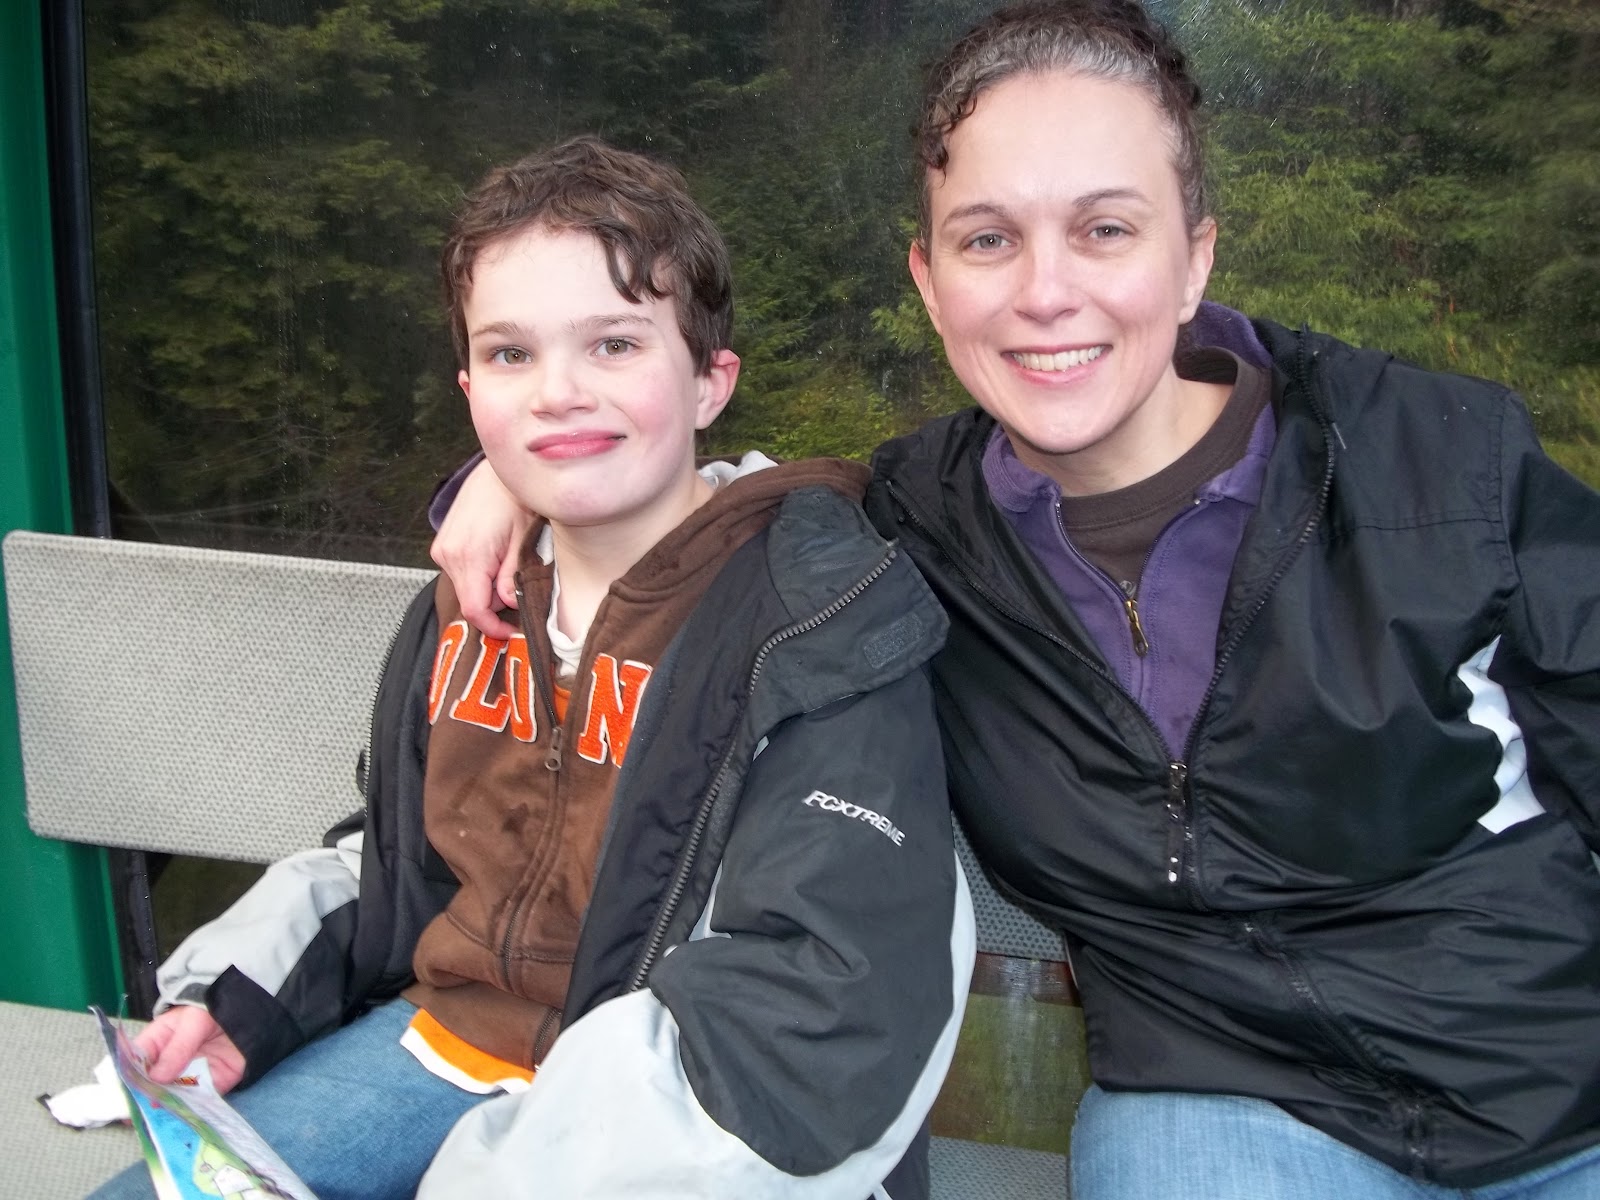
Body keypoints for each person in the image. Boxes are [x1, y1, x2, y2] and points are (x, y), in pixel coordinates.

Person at [431, 4, 1600, 1197]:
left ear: (1195, 256)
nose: (1045, 292)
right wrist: (514, 477)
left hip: (1558, 1087)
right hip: (1222, 1098)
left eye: (1105, 230)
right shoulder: (908, 534)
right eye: (987, 240)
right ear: (929, 281)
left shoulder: (1433, 464)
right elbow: (713, 503)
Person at [91, 135, 972, 1200]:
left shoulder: (809, 625)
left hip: (679, 1117)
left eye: (614, 344)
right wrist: (239, 1004)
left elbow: (820, 998)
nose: (557, 393)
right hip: (448, 1043)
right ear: (470, 389)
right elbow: (397, 859)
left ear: (709, 381)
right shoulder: (472, 604)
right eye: (511, 355)